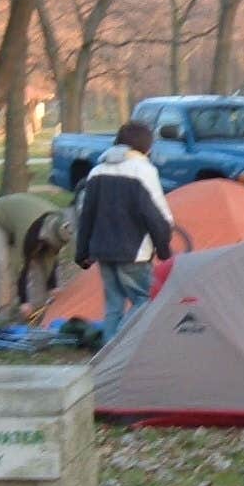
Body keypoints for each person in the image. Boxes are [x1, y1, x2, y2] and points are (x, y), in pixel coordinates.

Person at [73, 120, 174, 343]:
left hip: (102, 251)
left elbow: (86, 215)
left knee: (113, 304)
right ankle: (120, 344)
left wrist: (82, 253)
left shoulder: (96, 171)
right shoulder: (144, 171)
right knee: (145, 299)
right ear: (146, 148)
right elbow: (155, 215)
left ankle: (108, 352)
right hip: (133, 251)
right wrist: (164, 250)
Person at [0, 191, 74, 324]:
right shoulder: (30, 232)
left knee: (40, 264)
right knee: (4, 264)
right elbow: (21, 267)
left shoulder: (60, 222)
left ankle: (38, 311)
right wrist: (24, 301)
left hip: (18, 219)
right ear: (48, 234)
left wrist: (53, 287)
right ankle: (3, 312)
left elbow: (50, 260)